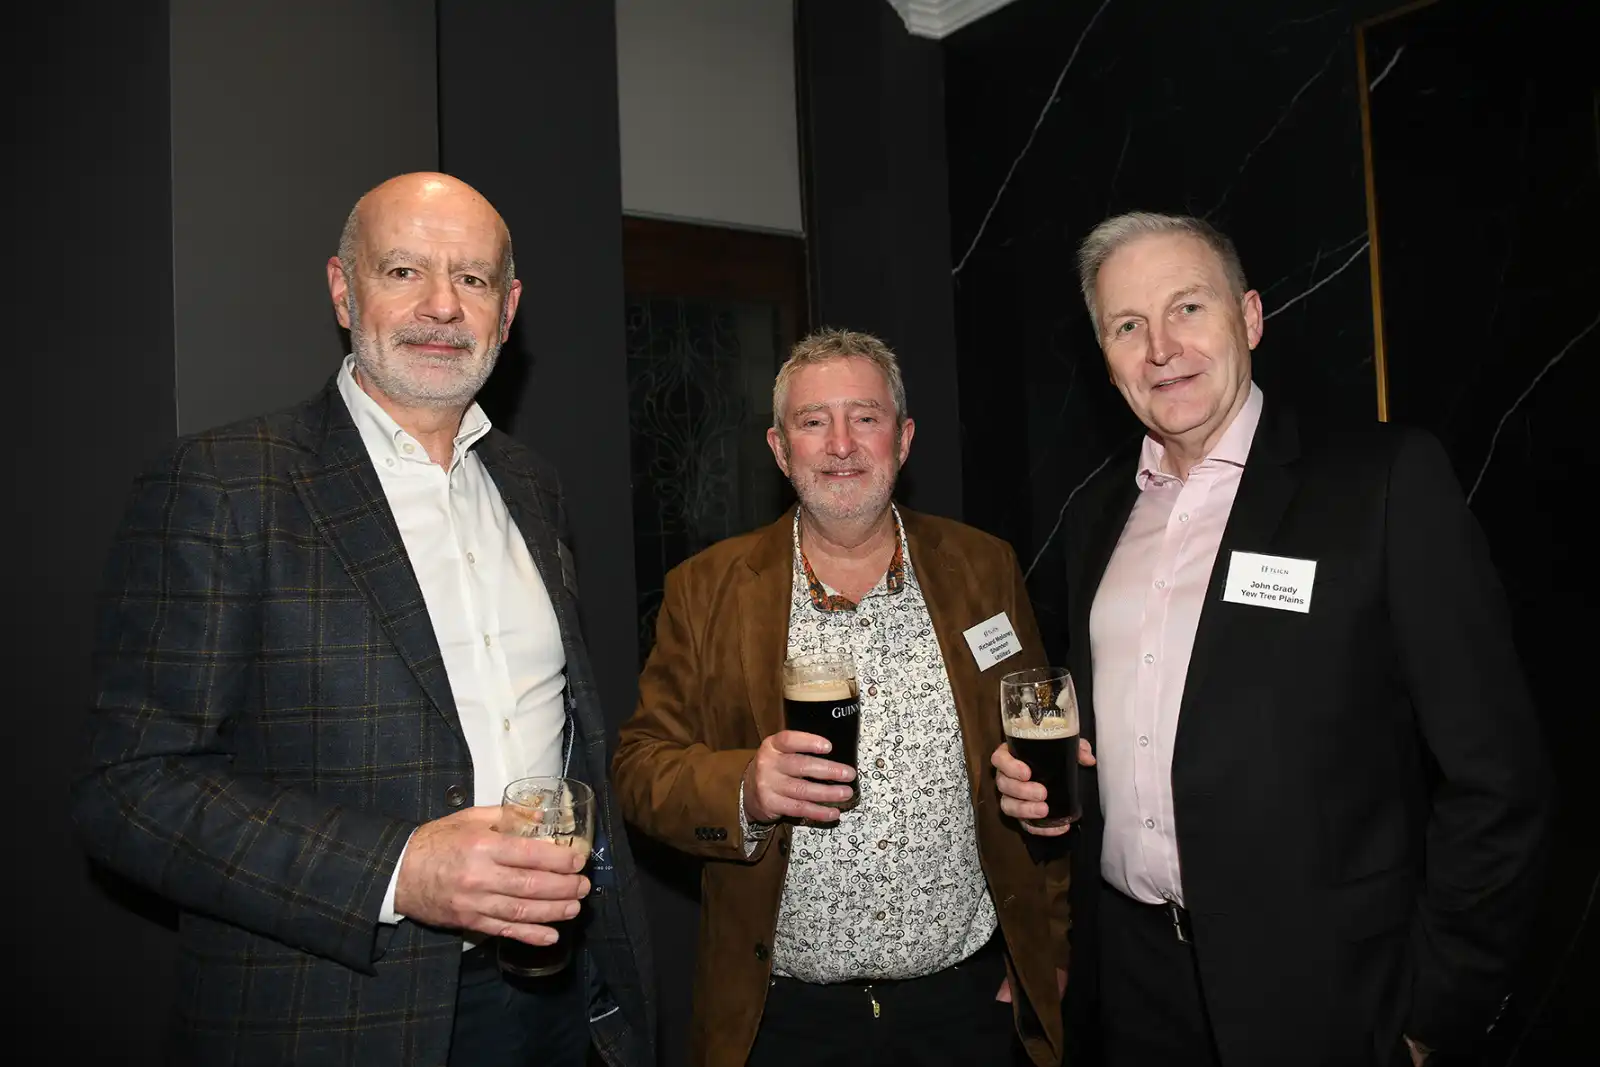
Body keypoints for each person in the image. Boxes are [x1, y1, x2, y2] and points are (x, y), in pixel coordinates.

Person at [72, 173, 654, 1067]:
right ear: (344, 291)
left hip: (552, 990)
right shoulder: (226, 484)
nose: (441, 306)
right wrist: (398, 870)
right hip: (337, 1015)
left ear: (507, 310)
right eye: (403, 271)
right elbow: (130, 791)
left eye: (472, 279)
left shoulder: (531, 486)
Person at [992, 211, 1552, 1067]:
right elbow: (1134, 723)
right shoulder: (1097, 515)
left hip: (1325, 990)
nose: (1162, 348)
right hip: (1134, 984)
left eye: (1188, 308)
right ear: (1104, 356)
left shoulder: (1381, 482)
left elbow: (1498, 777)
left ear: (1250, 316)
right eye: (1128, 326)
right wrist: (1063, 778)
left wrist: (1433, 1014)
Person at [611, 329, 1072, 1066]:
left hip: (964, 1007)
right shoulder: (706, 588)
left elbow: (1038, 760)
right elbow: (639, 767)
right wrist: (745, 788)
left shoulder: (983, 568)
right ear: (779, 448)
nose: (841, 445)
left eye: (865, 417)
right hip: (784, 1016)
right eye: (813, 421)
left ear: (904, 438)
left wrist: (1047, 950)